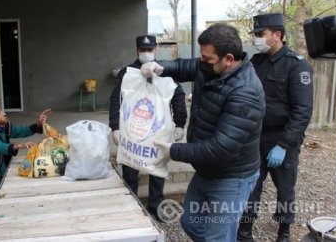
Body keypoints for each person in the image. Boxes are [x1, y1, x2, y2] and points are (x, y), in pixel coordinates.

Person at [140, 23, 265, 241]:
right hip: (207, 169)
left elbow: (220, 149)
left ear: (228, 59)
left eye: (207, 59)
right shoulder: (210, 67)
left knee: (219, 236)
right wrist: (157, 66)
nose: (201, 62)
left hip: (231, 176)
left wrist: (174, 151)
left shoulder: (246, 92)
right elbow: (181, 66)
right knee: (190, 223)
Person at [237, 13, 314, 242]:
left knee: (285, 190)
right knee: (251, 187)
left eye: (261, 35)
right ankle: (244, 230)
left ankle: (284, 231)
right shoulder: (255, 63)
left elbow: (302, 112)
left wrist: (283, 144)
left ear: (277, 35)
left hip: (283, 139)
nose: (257, 39)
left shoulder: (296, 66)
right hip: (256, 138)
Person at [109, 34, 187, 218]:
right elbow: (116, 100)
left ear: (155, 49)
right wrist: (115, 127)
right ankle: (131, 208)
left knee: (158, 170)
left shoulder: (163, 70)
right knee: (129, 170)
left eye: (149, 50)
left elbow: (178, 96)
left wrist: (180, 123)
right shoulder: (127, 73)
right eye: (143, 50)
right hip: (132, 130)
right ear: (137, 50)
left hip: (158, 130)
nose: (146, 53)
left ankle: (155, 207)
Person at [0, 102, 52, 194]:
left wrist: (38, 125)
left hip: (1, 170)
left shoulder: (2, 127)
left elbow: (21, 131)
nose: (4, 113)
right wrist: (18, 146)